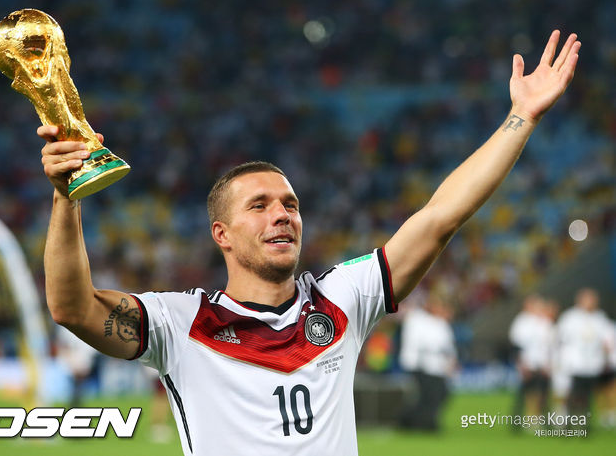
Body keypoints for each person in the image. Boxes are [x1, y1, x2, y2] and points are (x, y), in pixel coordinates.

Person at [37, 31, 580, 455]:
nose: (283, 216)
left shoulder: (343, 299)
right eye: (260, 206)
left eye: (290, 204)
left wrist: (520, 117)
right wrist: (67, 196)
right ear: (220, 235)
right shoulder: (181, 324)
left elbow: (440, 217)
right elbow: (71, 306)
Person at [556, 288, 613, 428]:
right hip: (574, 363)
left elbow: (608, 339)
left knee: (588, 396)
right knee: (571, 393)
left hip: (592, 364)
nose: (591, 302)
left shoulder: (600, 318)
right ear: (580, 300)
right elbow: (561, 339)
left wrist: (606, 354)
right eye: (588, 299)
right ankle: (566, 420)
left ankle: (585, 423)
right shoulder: (570, 317)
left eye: (593, 299)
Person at [398, 296, 456, 431]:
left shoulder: (438, 323)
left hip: (435, 366)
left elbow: (448, 348)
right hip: (423, 365)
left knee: (435, 395)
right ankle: (423, 423)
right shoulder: (419, 320)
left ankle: (416, 422)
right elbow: (426, 344)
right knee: (429, 396)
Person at [508, 294, 554, 423]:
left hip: (543, 364)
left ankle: (541, 419)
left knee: (543, 393)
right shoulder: (522, 321)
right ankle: (518, 421)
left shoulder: (545, 323)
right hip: (528, 363)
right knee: (525, 393)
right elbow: (517, 345)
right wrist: (522, 364)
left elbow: (549, 347)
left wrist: (548, 364)